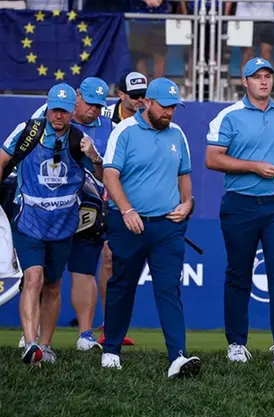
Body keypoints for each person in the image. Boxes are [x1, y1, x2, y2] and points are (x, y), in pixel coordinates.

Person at [206, 57, 274, 364]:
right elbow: (213, 158)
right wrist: (254, 167)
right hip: (240, 204)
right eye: (257, 77)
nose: (263, 81)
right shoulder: (229, 116)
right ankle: (236, 343)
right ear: (245, 81)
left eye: (267, 76)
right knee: (238, 273)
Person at [101, 77, 201, 378]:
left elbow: (184, 174)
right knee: (122, 285)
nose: (170, 112)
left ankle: (178, 357)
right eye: (165, 106)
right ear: (148, 102)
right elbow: (110, 175)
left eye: (174, 107)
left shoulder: (178, 134)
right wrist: (127, 209)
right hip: (128, 223)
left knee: (169, 288)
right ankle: (111, 349)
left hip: (168, 226)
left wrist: (187, 203)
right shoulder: (125, 131)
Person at [0, 83, 101, 365]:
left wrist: (94, 156)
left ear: (72, 112)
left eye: (64, 111)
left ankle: (45, 346)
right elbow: (2, 160)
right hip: (29, 221)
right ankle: (30, 344)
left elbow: (104, 176)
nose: (58, 116)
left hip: (63, 225)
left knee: (53, 285)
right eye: (54, 110)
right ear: (48, 107)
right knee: (33, 278)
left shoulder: (79, 140)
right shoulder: (27, 131)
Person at [28, 77, 112, 352]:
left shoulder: (109, 127)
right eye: (89, 103)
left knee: (84, 269)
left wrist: (96, 157)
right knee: (42, 274)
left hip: (89, 207)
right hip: (46, 209)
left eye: (100, 106)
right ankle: (33, 333)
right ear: (77, 96)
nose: (94, 110)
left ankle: (85, 335)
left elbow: (107, 172)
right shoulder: (45, 116)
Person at [97, 71, 148, 347]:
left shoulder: (152, 117)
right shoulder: (103, 117)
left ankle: (110, 326)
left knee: (114, 260)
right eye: (135, 96)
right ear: (121, 95)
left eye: (144, 96)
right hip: (93, 194)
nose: (141, 101)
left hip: (128, 200)